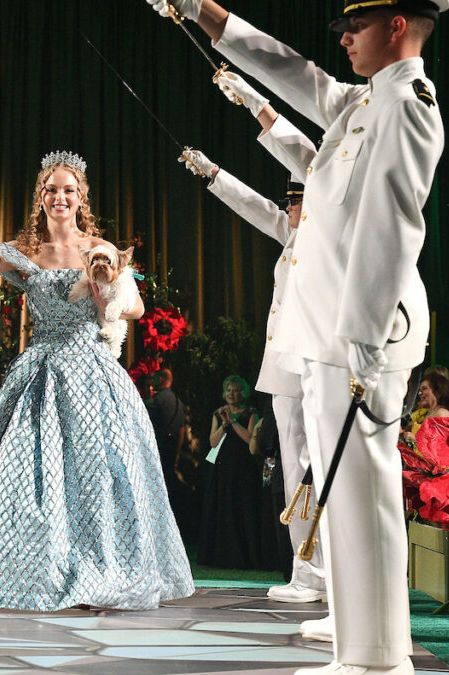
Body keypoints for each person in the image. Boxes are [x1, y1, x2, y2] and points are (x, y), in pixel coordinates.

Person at [148, 1, 449, 675]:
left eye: (356, 24)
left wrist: (363, 344)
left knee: (364, 493)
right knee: (343, 492)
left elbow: (392, 228)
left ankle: (376, 660)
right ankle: (359, 645)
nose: (343, 37)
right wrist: (204, 15)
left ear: (396, 25)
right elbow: (294, 72)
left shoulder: (407, 103)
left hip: (360, 335)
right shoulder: (359, 103)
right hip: (328, 334)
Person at [0, 152, 194, 610]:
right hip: (40, 373)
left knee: (100, 476)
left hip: (94, 372)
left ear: (80, 198)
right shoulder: (23, 252)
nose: (60, 197)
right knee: (28, 478)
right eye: (52, 189)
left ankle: (103, 568)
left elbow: (135, 308)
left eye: (68, 190)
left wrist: (106, 293)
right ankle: (35, 573)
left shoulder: (100, 246)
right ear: (41, 196)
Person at [180, 71, 325, 602]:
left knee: (319, 466)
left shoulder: (328, 233)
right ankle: (307, 572)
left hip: (319, 361)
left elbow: (303, 157)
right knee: (294, 465)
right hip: (287, 363)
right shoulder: (290, 235)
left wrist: (255, 102)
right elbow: (255, 207)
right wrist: (212, 173)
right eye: (289, 203)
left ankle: (329, 571)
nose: (288, 209)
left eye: (297, 201)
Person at [198, 375, 279, 570]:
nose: (231, 394)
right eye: (228, 390)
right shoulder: (218, 414)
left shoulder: (251, 413)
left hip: (244, 468)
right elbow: (213, 442)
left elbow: (249, 439)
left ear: (242, 393)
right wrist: (224, 424)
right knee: (224, 508)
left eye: (235, 390)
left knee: (243, 508)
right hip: (223, 468)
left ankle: (247, 557)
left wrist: (233, 421)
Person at [147, 367, 185, 485]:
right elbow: (182, 431)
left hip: (159, 447)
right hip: (172, 448)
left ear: (162, 380)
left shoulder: (158, 399)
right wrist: (177, 451)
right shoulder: (179, 403)